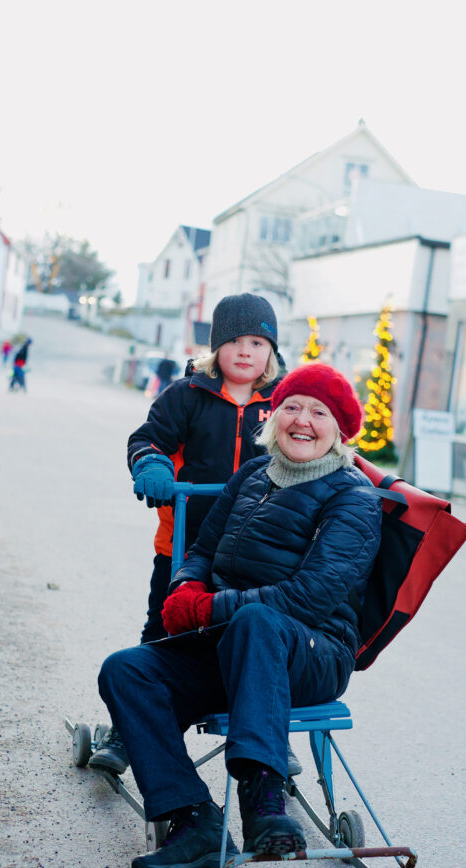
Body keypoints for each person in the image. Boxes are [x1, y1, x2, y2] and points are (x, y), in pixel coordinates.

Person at [95, 363, 383, 868]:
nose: (303, 420)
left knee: (257, 621)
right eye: (293, 406)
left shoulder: (353, 498)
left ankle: (264, 798)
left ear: (338, 430)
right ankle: (193, 820)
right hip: (234, 643)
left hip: (312, 652)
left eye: (319, 412)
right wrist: (185, 588)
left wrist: (210, 609)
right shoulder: (253, 475)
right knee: (126, 670)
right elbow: (202, 550)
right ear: (275, 416)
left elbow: (309, 598)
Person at [91, 293, 301, 772]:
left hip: (258, 552)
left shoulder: (285, 403)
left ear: (270, 350)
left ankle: (269, 729)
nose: (244, 351)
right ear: (215, 347)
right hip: (185, 544)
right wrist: (152, 463)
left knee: (254, 639)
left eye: (256, 341)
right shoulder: (188, 396)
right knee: (163, 633)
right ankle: (129, 730)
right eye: (233, 341)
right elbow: (148, 437)